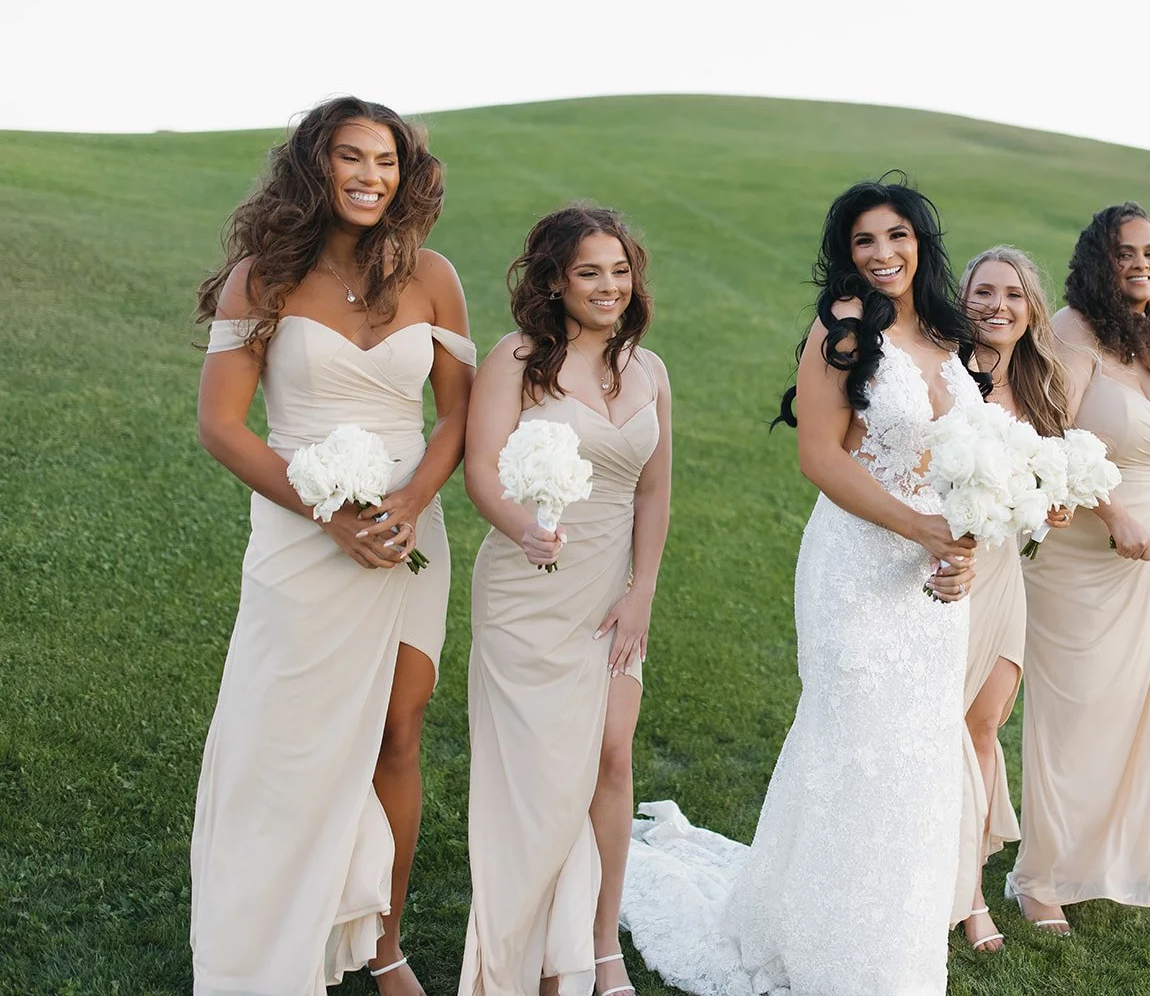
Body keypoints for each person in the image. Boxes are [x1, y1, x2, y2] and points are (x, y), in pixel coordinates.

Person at [618, 175, 981, 995]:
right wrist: (919, 527)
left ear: (921, 240)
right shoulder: (843, 327)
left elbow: (970, 464)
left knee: (918, 756)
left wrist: (966, 544)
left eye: (895, 236)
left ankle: (894, 950)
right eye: (863, 241)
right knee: (850, 746)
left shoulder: (949, 338)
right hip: (857, 565)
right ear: (844, 254)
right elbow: (819, 455)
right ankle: (827, 949)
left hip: (936, 578)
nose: (882, 254)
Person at [192, 95, 474, 996]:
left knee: (397, 732)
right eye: (351, 157)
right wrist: (330, 515)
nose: (369, 176)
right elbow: (224, 427)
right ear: (317, 166)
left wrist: (409, 500)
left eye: (386, 161)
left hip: (406, 536)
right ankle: (268, 934)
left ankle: (382, 940)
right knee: (289, 744)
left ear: (406, 175)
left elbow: (459, 413)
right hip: (300, 537)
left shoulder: (433, 276)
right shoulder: (262, 277)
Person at [458, 205, 670, 996]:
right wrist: (520, 527)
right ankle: (523, 954)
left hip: (613, 600)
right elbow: (481, 468)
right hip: (527, 593)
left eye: (619, 270)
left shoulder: (650, 371)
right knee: (540, 781)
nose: (608, 285)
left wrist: (641, 591)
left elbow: (655, 492)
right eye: (589, 271)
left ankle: (597, 940)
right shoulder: (517, 359)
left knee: (611, 761)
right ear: (555, 279)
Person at [1007, 203, 1150, 931]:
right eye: (1125, 252)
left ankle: (1111, 842)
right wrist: (1112, 512)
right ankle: (1040, 875)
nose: (1141, 263)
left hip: (1144, 549)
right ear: (1096, 258)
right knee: (1070, 709)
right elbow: (1049, 435)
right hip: (1079, 542)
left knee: (1126, 698)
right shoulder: (1070, 332)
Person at [952, 247, 1074, 952]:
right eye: (984, 292)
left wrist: (1049, 509)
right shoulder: (944, 375)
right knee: (942, 727)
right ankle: (958, 893)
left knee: (984, 724)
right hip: (947, 570)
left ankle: (969, 884)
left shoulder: (1041, 392)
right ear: (963, 299)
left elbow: (1036, 498)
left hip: (1005, 577)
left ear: (1031, 312)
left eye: (1013, 296)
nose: (998, 306)